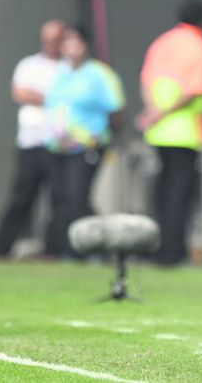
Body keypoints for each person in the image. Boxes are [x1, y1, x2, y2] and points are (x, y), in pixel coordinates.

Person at [135, 0, 202, 266]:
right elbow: (194, 90)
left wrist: (152, 112)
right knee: (181, 193)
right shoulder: (200, 48)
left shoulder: (161, 43)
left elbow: (146, 80)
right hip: (185, 132)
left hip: (158, 132)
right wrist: (162, 113)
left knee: (162, 189)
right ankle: (173, 250)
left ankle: (160, 246)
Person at [43, 25, 126, 259]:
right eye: (66, 42)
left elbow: (116, 109)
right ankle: (71, 249)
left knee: (77, 198)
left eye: (74, 41)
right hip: (58, 147)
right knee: (63, 200)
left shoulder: (99, 74)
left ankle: (95, 248)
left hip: (86, 147)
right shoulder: (61, 73)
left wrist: (108, 138)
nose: (69, 47)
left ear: (85, 45)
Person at [0, 19, 68, 257]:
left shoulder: (69, 68)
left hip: (60, 144)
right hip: (31, 142)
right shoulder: (30, 65)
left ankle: (56, 251)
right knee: (21, 198)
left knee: (61, 200)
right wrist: (55, 99)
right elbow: (20, 92)